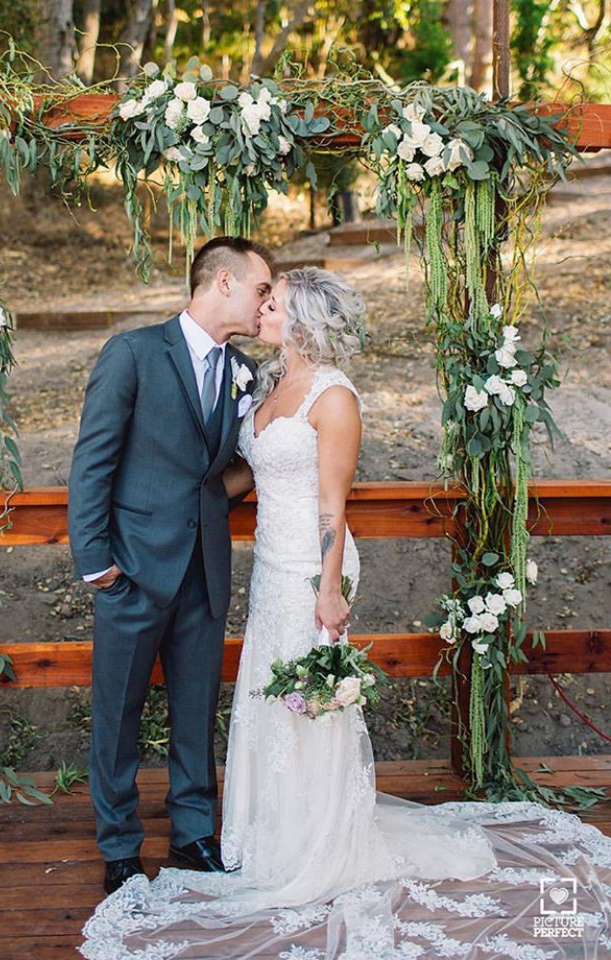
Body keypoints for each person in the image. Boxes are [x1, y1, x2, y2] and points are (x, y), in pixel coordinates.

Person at [79, 267, 611, 959]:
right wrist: (150, 516)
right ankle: (265, 833)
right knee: (267, 700)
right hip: (268, 568)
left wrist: (329, 589)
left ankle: (316, 841)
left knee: (311, 704)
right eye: (262, 297)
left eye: (274, 304)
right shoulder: (262, 381)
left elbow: (333, 504)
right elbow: (232, 472)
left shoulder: (333, 397)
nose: (262, 310)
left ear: (300, 319)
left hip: (314, 568)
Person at [68, 236, 273, 895]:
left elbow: (222, 471)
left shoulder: (244, 371)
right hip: (130, 569)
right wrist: (96, 563)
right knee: (117, 717)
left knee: (196, 710)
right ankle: (119, 846)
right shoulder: (133, 353)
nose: (265, 302)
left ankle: (191, 832)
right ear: (222, 282)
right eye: (260, 289)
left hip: (204, 570)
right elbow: (92, 461)